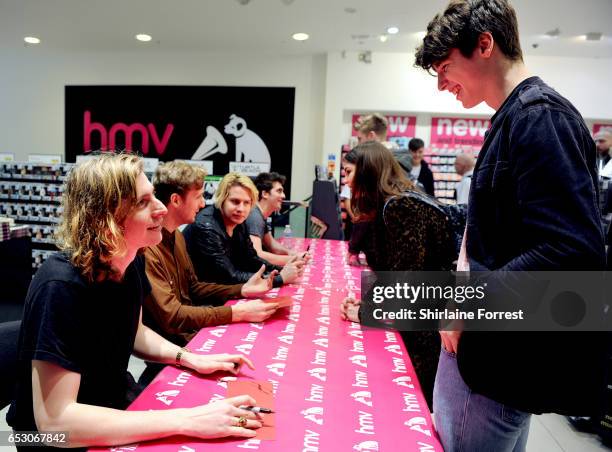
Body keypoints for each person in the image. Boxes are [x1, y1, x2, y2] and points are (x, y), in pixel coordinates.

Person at [415, 1, 607, 451]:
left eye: (445, 67)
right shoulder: (514, 117)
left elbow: (569, 249)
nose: (442, 84)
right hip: (490, 351)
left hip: (497, 357)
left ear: (485, 44)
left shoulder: (540, 117)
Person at [7, 154, 261, 450]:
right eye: (143, 202)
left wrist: (189, 357)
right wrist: (187, 419)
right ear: (105, 218)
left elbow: (134, 331)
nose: (162, 208)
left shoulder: (132, 261)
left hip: (112, 405)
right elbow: (56, 421)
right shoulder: (60, 285)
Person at [339, 142, 455, 410]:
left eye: (347, 172)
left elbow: (408, 280)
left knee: (416, 406)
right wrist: (366, 306)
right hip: (425, 317)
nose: (344, 180)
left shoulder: (400, 206)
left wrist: (366, 313)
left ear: (367, 170)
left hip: (431, 325)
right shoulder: (390, 203)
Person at [141, 161, 279, 384]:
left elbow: (193, 287)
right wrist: (236, 313)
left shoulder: (175, 235)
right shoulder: (148, 247)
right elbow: (172, 316)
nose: (204, 203)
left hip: (189, 338)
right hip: (176, 351)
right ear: (176, 200)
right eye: (198, 196)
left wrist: (242, 290)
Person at [184, 172, 303, 286]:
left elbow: (251, 258)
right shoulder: (207, 227)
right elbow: (229, 277)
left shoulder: (239, 221)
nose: (241, 208)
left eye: (246, 203)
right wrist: (279, 278)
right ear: (222, 200)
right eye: (235, 201)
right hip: (198, 298)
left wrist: (283, 270)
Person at [246, 171, 310, 266]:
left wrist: (292, 253)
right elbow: (258, 255)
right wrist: (293, 259)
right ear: (265, 194)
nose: (283, 196)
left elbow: (272, 245)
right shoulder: (255, 216)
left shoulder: (260, 215)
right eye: (279, 191)